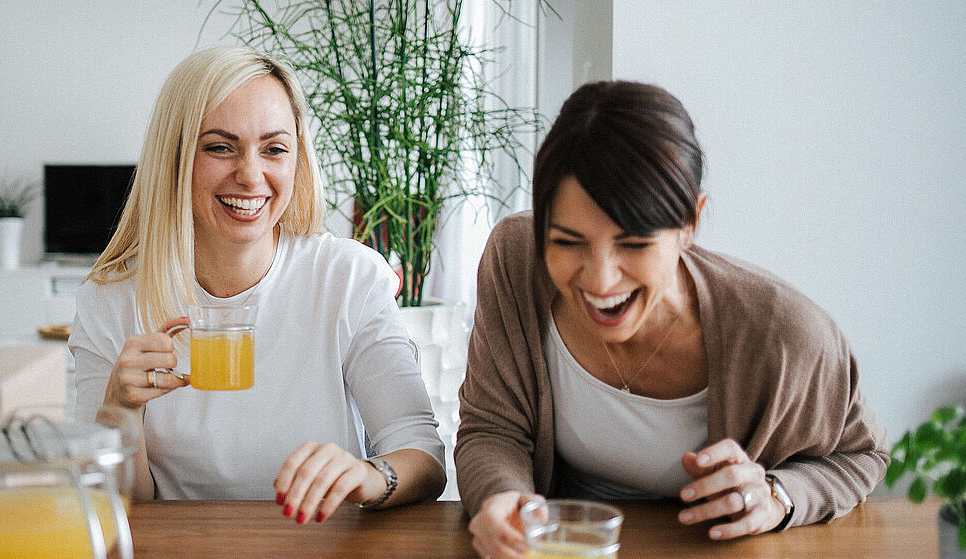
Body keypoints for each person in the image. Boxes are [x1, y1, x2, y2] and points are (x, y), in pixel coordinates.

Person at [455, 81, 888, 557]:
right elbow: (492, 429)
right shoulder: (516, 258)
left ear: (690, 223)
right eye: (567, 242)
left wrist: (779, 496)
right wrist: (501, 498)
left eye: (634, 244)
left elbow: (864, 454)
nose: (600, 281)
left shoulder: (784, 334)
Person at [68, 46, 445, 523]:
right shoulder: (112, 300)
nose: (250, 176)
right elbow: (122, 513)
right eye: (220, 147)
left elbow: (424, 457)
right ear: (175, 158)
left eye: (274, 149)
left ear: (297, 161)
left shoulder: (347, 278)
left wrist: (369, 477)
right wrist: (120, 413)